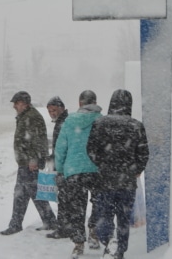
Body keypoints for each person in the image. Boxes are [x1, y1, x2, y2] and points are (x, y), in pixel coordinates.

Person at [87, 89, 149, 259]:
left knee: (105, 215)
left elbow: (91, 150)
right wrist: (135, 170)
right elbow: (144, 154)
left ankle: (108, 241)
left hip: (104, 180)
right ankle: (119, 249)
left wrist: (102, 164)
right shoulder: (136, 125)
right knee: (123, 218)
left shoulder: (100, 124)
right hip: (127, 182)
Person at [0, 91, 57, 236]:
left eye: (16, 103)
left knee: (24, 193)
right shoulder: (25, 116)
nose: (14, 106)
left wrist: (34, 159)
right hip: (25, 162)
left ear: (23, 103)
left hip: (29, 163)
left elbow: (36, 140)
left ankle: (17, 224)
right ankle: (47, 221)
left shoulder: (32, 117)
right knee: (27, 193)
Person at [54, 90, 103, 258]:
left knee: (77, 208)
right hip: (97, 170)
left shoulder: (70, 121)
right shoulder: (102, 120)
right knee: (98, 203)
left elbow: (61, 148)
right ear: (95, 102)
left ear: (80, 103)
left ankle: (78, 243)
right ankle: (94, 232)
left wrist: (60, 169)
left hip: (74, 171)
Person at [44, 96, 71, 239]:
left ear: (61, 108)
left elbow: (62, 147)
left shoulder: (64, 122)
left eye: (54, 110)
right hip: (65, 166)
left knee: (64, 199)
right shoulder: (61, 121)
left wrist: (56, 160)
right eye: (49, 111)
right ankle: (66, 227)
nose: (52, 113)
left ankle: (64, 228)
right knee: (65, 198)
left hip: (64, 168)